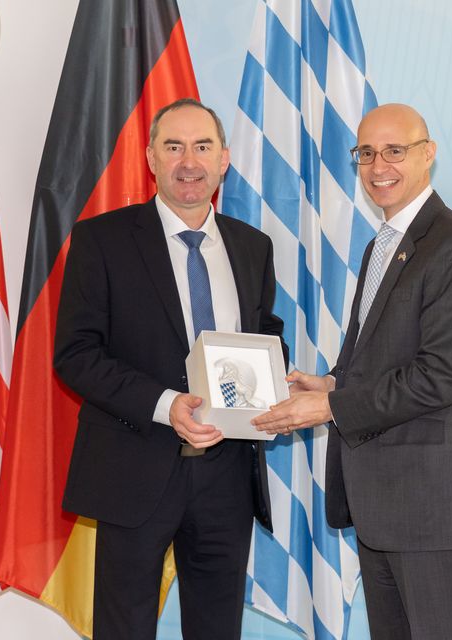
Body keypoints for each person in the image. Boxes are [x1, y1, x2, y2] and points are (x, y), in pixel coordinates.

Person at [252, 103, 452, 639]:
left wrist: (330, 406)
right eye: (366, 153)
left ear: (427, 154)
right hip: (380, 504)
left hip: (430, 507)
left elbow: (444, 375)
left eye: (395, 150)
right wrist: (331, 383)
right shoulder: (382, 245)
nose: (378, 164)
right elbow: (386, 359)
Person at [54, 97, 286, 640]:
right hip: (134, 467)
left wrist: (278, 378)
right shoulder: (101, 240)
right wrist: (166, 405)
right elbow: (77, 354)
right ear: (150, 158)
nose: (189, 161)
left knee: (216, 627)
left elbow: (263, 334)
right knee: (125, 627)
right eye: (173, 146)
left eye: (202, 146)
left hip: (228, 475)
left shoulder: (253, 247)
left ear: (224, 159)